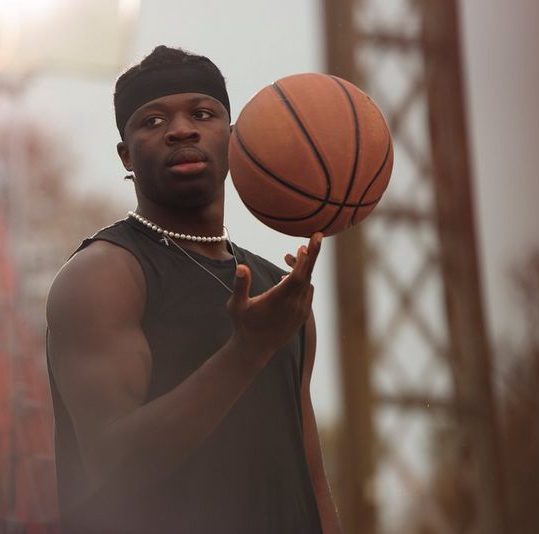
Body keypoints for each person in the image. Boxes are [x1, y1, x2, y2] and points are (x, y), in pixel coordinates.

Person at [46, 45, 341, 533]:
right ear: (126, 154)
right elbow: (112, 470)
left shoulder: (279, 291)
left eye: (202, 114)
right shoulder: (103, 276)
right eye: (153, 121)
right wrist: (247, 351)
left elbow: (309, 475)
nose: (181, 129)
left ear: (232, 138)